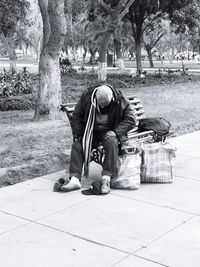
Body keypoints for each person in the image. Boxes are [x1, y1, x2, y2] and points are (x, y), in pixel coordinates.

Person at [59, 84, 136, 194]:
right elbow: (77, 116)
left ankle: (106, 179)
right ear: (95, 97)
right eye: (100, 105)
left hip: (110, 132)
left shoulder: (120, 100)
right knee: (78, 145)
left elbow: (131, 119)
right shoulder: (87, 97)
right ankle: (75, 179)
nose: (103, 108)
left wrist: (115, 132)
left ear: (112, 99)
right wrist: (82, 134)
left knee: (111, 142)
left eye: (106, 105)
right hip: (91, 132)